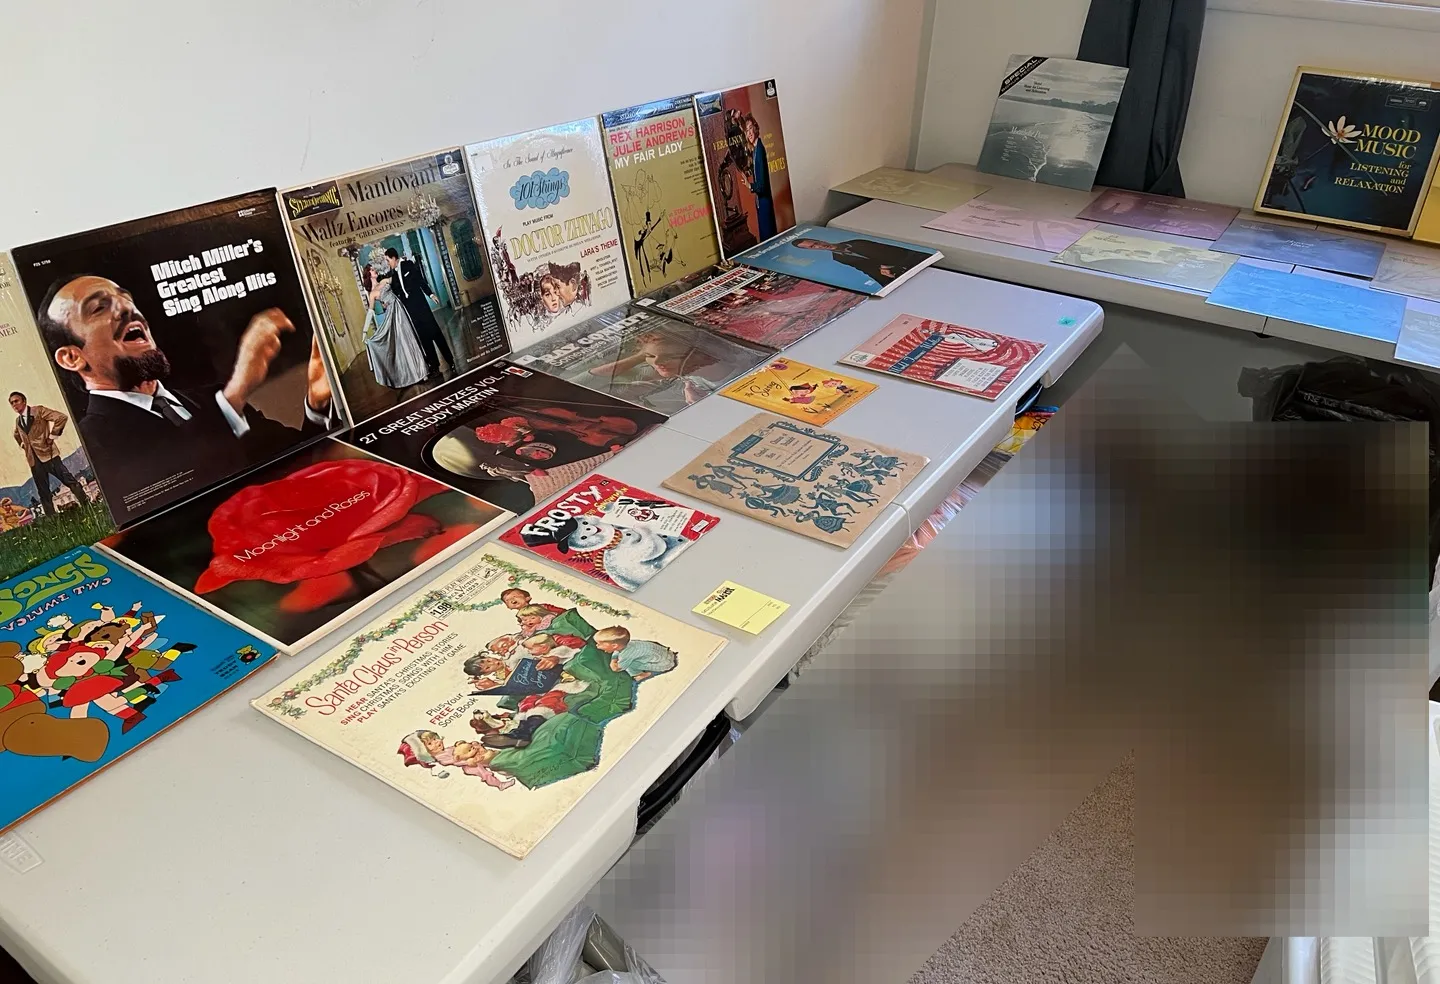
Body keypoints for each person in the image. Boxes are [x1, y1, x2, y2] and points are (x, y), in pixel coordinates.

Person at [37, 275, 334, 513]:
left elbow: (300, 466)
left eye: (126, 298)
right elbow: (184, 488)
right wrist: (236, 393)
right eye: (99, 308)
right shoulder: (92, 443)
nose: (128, 308)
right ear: (72, 357)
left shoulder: (211, 398)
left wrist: (317, 404)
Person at [10, 392, 89, 516]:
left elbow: (61, 418)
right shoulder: (18, 421)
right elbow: (16, 434)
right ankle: (52, 520)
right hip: (34, 461)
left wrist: (52, 436)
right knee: (43, 493)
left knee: (69, 480)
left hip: (49, 455)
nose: (14, 404)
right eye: (12, 403)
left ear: (24, 401)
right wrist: (23, 444)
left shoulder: (39, 411)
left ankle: (87, 505)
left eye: (16, 401)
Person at [381, 248, 456, 379]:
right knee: (424, 339)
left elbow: (421, 280)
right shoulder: (393, 275)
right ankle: (435, 366)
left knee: (436, 334)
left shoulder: (408, 265)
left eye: (388, 260)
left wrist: (431, 294)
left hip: (422, 307)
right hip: (411, 313)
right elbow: (395, 294)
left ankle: (450, 361)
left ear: (393, 258)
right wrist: (386, 303)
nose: (388, 263)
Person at [362, 261, 428, 389]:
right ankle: (411, 375)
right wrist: (365, 331)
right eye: (372, 269)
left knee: (410, 338)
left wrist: (401, 264)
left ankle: (421, 371)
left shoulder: (384, 281)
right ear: (369, 274)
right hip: (392, 314)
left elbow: (398, 278)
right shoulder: (372, 293)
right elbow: (370, 312)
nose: (375, 270)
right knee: (402, 343)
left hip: (400, 308)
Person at [789, 236, 920, 288]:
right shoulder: (839, 258)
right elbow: (867, 270)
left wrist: (886, 265)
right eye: (813, 247)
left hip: (909, 260)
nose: (819, 246)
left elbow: (894, 251)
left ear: (819, 239)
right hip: (896, 272)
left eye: (816, 242)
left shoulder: (857, 242)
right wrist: (886, 283)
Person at [593, 625, 677, 681]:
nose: (597, 646)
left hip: (665, 664)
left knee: (629, 665)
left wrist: (613, 662)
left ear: (614, 645)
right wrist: (614, 657)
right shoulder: (629, 643)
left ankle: (643, 674)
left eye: (599, 644)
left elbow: (616, 669)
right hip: (665, 654)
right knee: (634, 658)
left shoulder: (625, 655)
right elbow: (617, 651)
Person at [741, 114, 777, 243]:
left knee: (768, 240)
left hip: (764, 203)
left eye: (751, 128)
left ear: (756, 128)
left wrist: (749, 185)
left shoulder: (759, 150)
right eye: (747, 131)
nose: (749, 133)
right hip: (761, 203)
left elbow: (762, 186)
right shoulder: (756, 149)